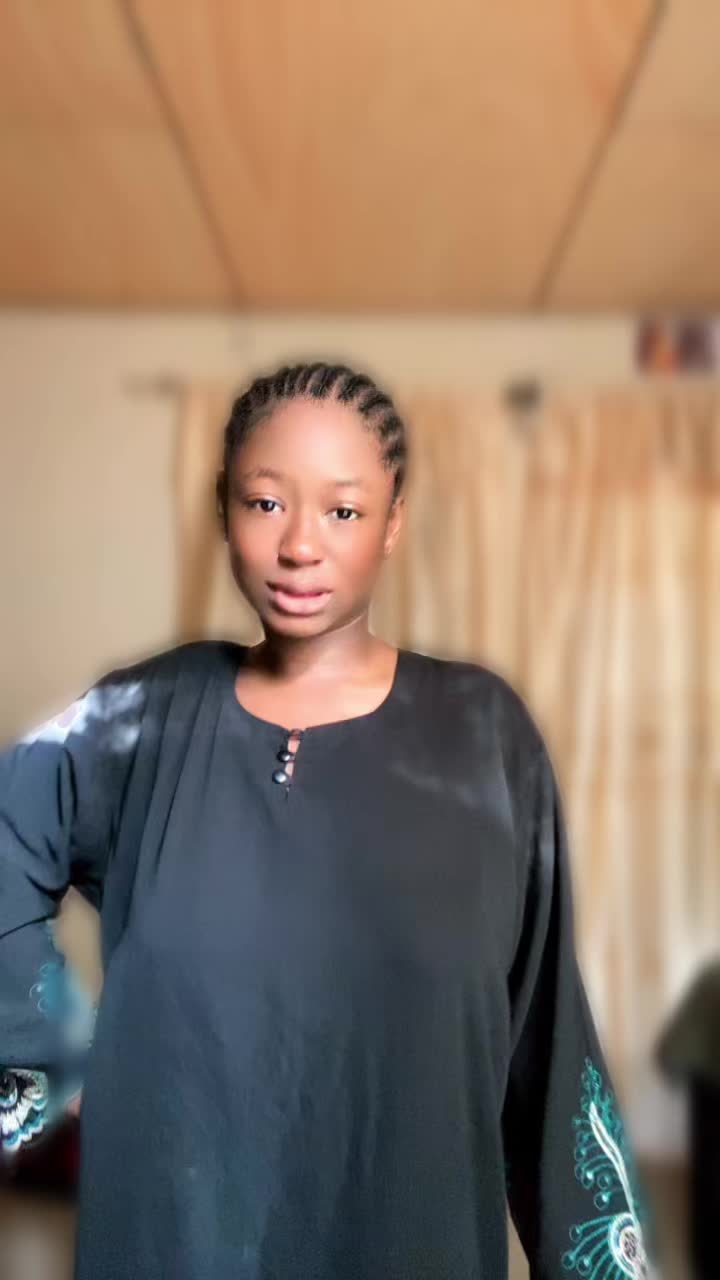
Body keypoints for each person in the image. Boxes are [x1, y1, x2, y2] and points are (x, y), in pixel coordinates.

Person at [1, 362, 652, 1279]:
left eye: (343, 510)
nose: (300, 544)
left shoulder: (483, 733)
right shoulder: (138, 720)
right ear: (223, 507)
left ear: (393, 523)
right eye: (266, 503)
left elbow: (543, 1034)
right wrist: (51, 1055)